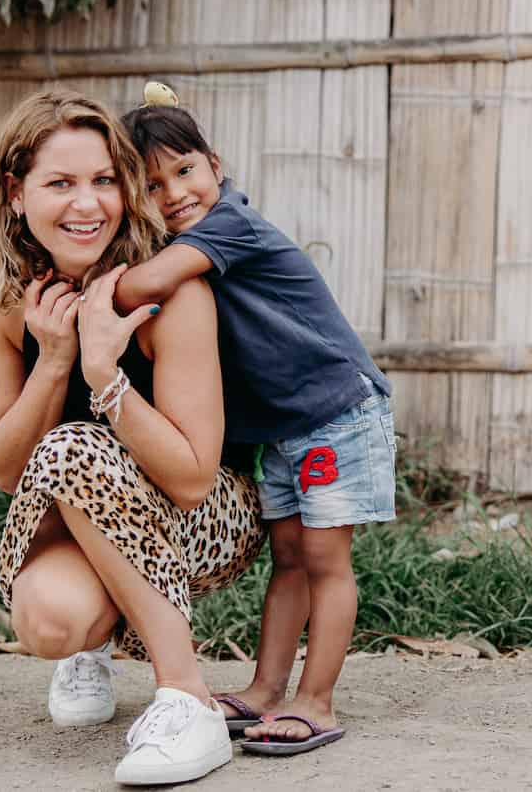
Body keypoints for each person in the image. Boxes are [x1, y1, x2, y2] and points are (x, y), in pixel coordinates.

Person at [0, 89, 264, 785]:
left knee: (74, 446)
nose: (87, 204)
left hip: (209, 515)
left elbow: (194, 477)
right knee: (51, 621)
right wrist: (56, 361)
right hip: (84, 511)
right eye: (61, 183)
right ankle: (91, 647)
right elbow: (4, 470)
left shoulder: (169, 289)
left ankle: (188, 701)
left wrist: (104, 373)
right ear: (15, 193)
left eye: (104, 181)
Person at [115, 88, 396, 756]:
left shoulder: (228, 225)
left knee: (326, 558)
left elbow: (145, 286)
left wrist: (93, 294)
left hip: (335, 412)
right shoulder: (192, 238)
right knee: (290, 558)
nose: (175, 193)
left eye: (184, 170)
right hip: (287, 428)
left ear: (215, 164)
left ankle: (317, 700)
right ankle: (269, 689)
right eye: (151, 186)